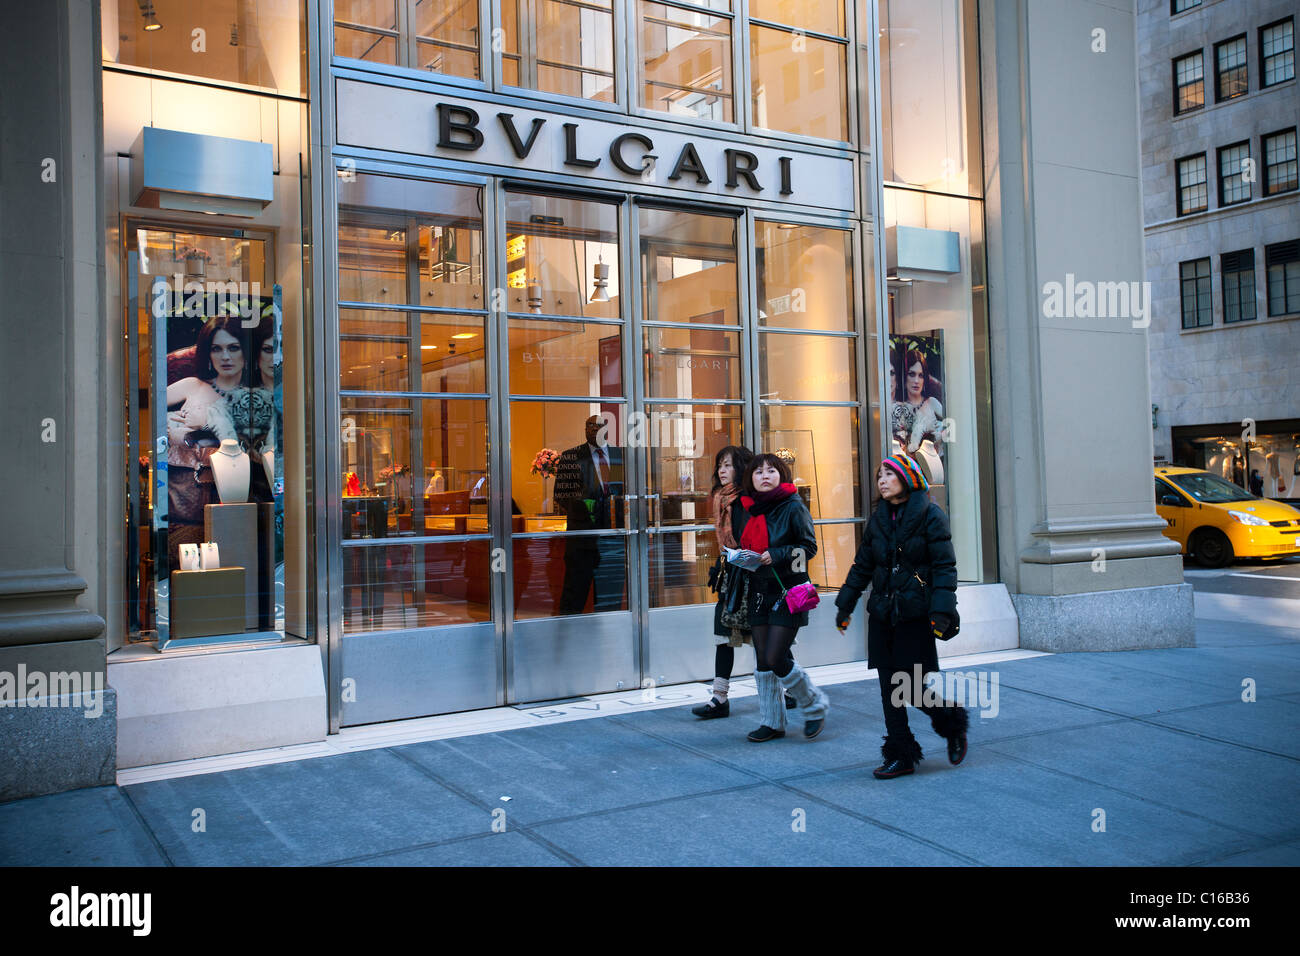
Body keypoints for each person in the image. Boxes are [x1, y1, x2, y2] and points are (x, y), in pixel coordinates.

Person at [834, 453, 969, 779]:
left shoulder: (930, 516)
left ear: (908, 478)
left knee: (907, 687)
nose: (881, 481)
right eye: (879, 475)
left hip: (914, 614)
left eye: (888, 475)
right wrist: (845, 604)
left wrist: (941, 611)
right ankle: (901, 753)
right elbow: (863, 565)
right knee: (888, 686)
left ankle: (949, 721)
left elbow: (944, 567)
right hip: (882, 613)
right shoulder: (878, 520)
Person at [738, 453, 829, 741]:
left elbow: (808, 548)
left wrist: (775, 555)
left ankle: (813, 705)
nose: (765, 476)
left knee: (776, 656)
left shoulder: (793, 506)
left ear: (782, 475)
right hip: (758, 590)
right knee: (763, 661)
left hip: (788, 590)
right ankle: (772, 722)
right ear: (750, 478)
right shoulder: (749, 508)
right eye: (758, 472)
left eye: (771, 471)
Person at [693, 446, 755, 719]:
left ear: (741, 468)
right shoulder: (721, 499)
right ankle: (720, 698)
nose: (722, 470)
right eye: (720, 465)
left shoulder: (746, 501)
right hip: (730, 574)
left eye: (728, 465)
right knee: (723, 637)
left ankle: (789, 690)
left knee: (765, 640)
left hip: (752, 577)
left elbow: (751, 542)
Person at [553, 415, 624, 614]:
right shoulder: (571, 457)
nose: (592, 431)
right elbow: (561, 495)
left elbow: (624, 491)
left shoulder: (620, 455)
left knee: (611, 596)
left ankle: (609, 636)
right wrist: (586, 509)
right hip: (582, 538)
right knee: (574, 595)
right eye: (589, 427)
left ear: (607, 430)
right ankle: (567, 637)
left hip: (613, 539)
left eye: (597, 427)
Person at [890, 348, 944, 455]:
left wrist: (940, 435)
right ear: (904, 376)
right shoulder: (895, 407)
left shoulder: (931, 403)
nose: (916, 381)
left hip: (933, 464)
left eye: (921, 375)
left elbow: (953, 424)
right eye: (911, 374)